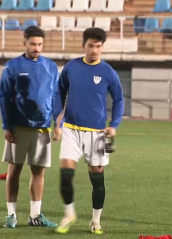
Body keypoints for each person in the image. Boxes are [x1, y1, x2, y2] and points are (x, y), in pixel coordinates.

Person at [52, 27, 124, 234]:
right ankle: (69, 214)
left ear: (102, 47)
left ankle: (95, 220)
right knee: (65, 175)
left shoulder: (109, 72)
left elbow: (119, 100)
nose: (94, 50)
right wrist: (58, 117)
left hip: (97, 132)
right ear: (83, 45)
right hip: (71, 130)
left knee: (97, 178)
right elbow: (59, 92)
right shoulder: (71, 67)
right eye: (90, 45)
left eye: (98, 46)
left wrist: (114, 124)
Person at [0, 26, 58, 229]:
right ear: (25, 43)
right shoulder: (13, 66)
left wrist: (58, 123)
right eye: (33, 43)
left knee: (38, 172)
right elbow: (3, 97)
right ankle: (11, 215)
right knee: (14, 171)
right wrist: (7, 126)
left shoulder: (50, 66)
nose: (37, 48)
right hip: (19, 128)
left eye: (40, 44)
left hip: (42, 129)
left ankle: (35, 215)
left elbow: (57, 98)